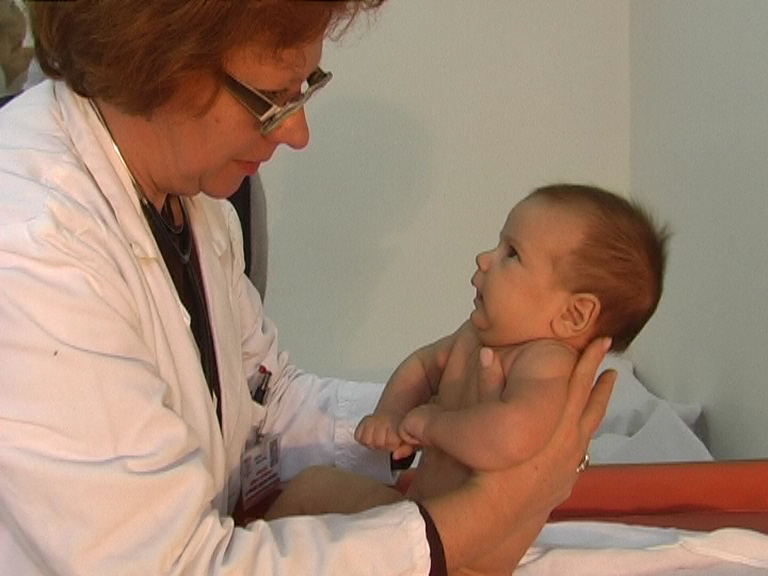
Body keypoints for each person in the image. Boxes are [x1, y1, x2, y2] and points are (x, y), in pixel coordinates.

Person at [0, 2, 616, 575]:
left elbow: (264, 402)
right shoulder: (30, 247)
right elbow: (175, 565)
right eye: (272, 99)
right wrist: (493, 507)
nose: (297, 133)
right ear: (156, 60)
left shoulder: (189, 194)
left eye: (305, 89)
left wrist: (432, 416)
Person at [266, 184, 667, 574]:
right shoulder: (476, 335)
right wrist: (391, 413)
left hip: (467, 560)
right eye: (498, 244)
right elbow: (422, 365)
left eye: (512, 254)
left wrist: (433, 425)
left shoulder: (546, 363)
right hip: (418, 521)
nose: (484, 258)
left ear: (573, 315)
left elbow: (513, 435)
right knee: (310, 488)